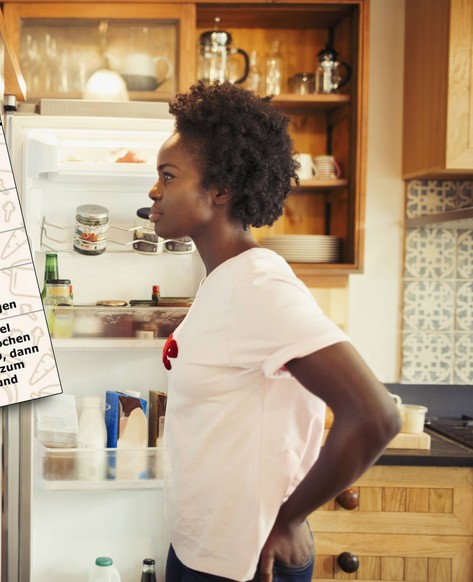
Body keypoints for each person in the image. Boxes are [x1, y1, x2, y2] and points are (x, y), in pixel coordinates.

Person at [150, 82, 401, 582]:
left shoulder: (258, 284)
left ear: (220, 190)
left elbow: (376, 415)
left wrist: (289, 519)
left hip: (247, 562)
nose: (155, 191)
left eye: (168, 176)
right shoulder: (224, 280)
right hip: (204, 548)